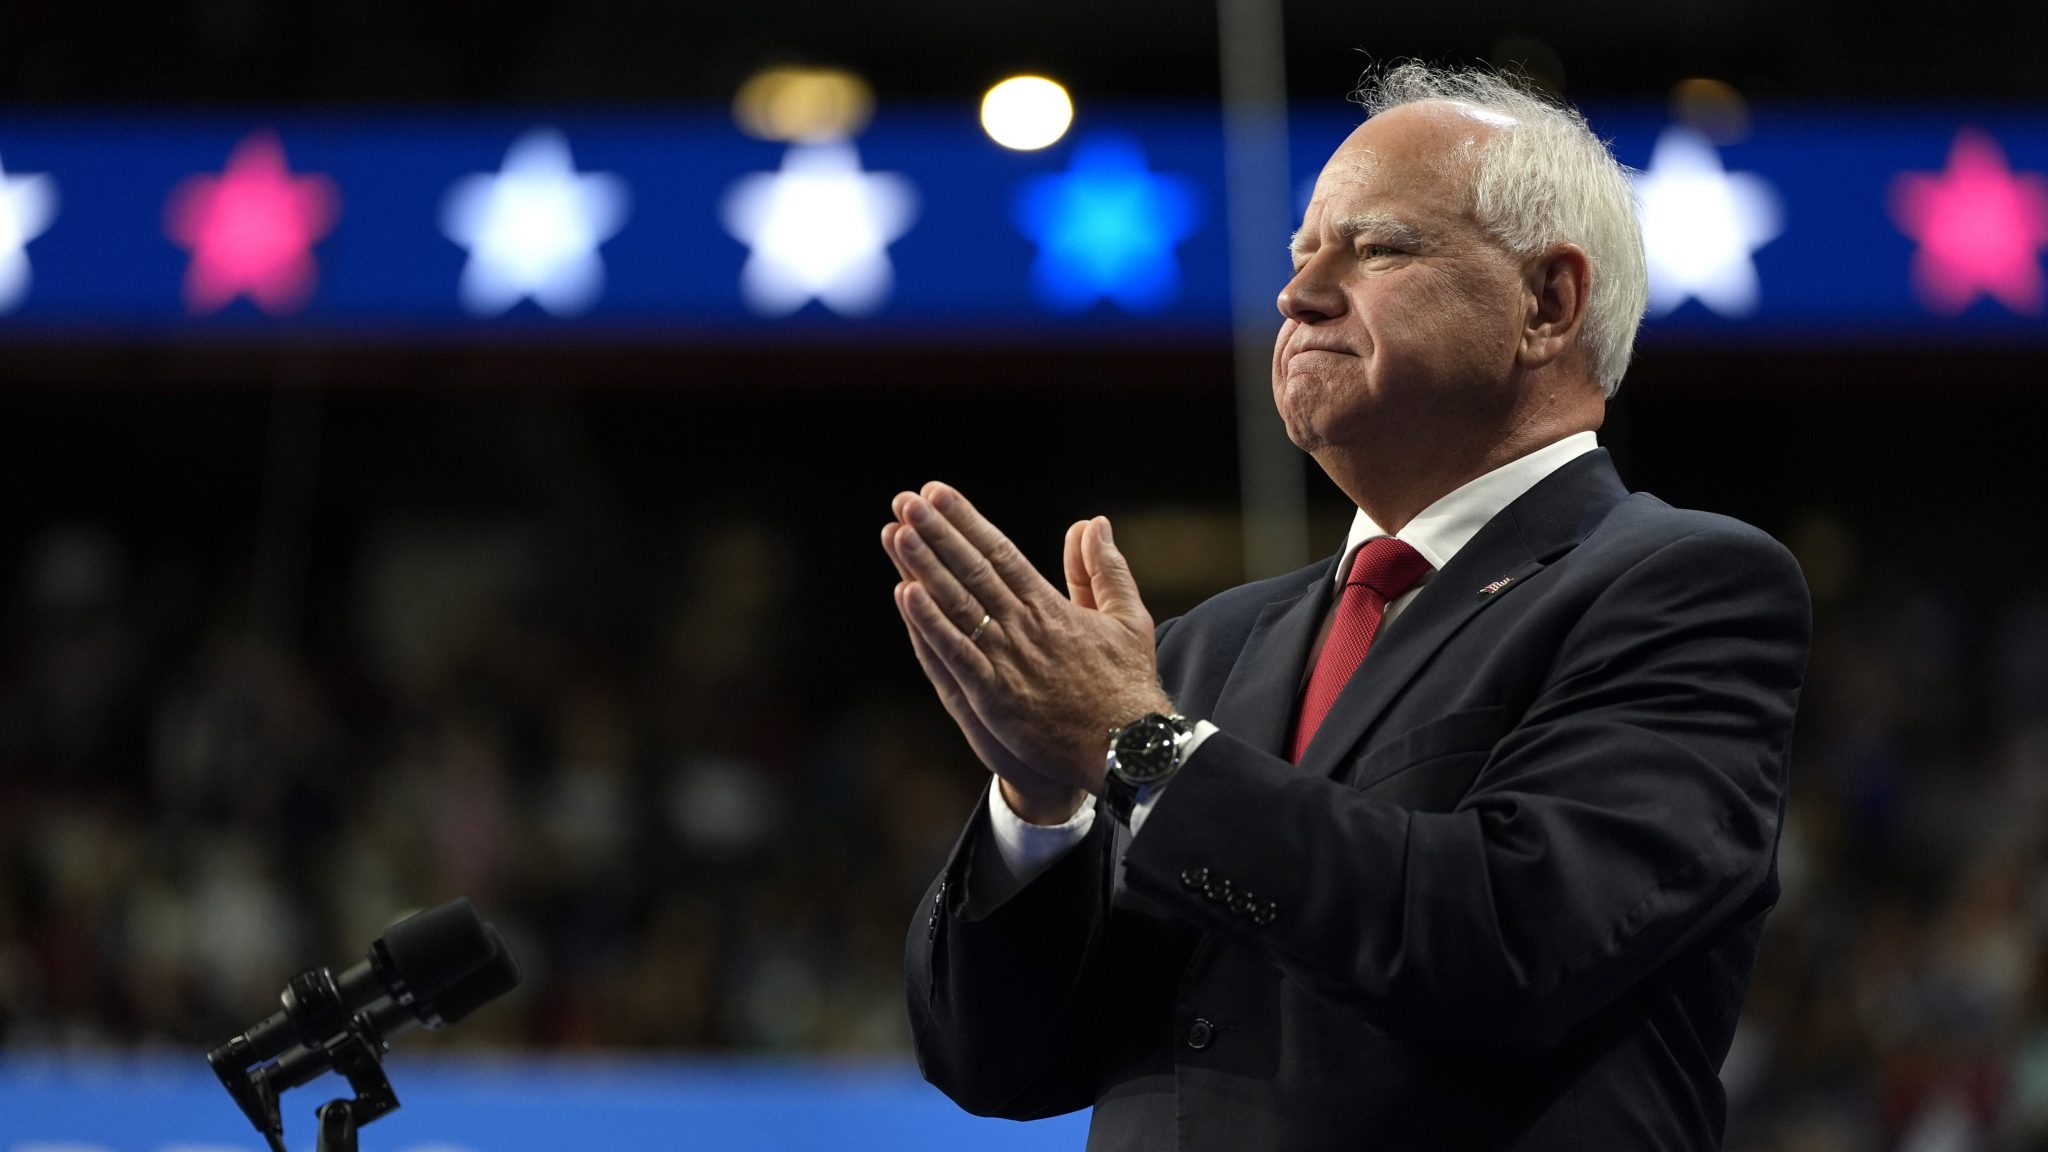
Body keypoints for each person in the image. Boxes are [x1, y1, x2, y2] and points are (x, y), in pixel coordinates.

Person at [881, 63, 1810, 1151]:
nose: (1297, 294)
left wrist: (1133, 748)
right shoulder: (1204, 648)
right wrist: (1040, 808)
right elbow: (997, 1063)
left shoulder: (1683, 587)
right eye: (1297, 255)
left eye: (1374, 248)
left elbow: (1504, 944)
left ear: (1546, 302)